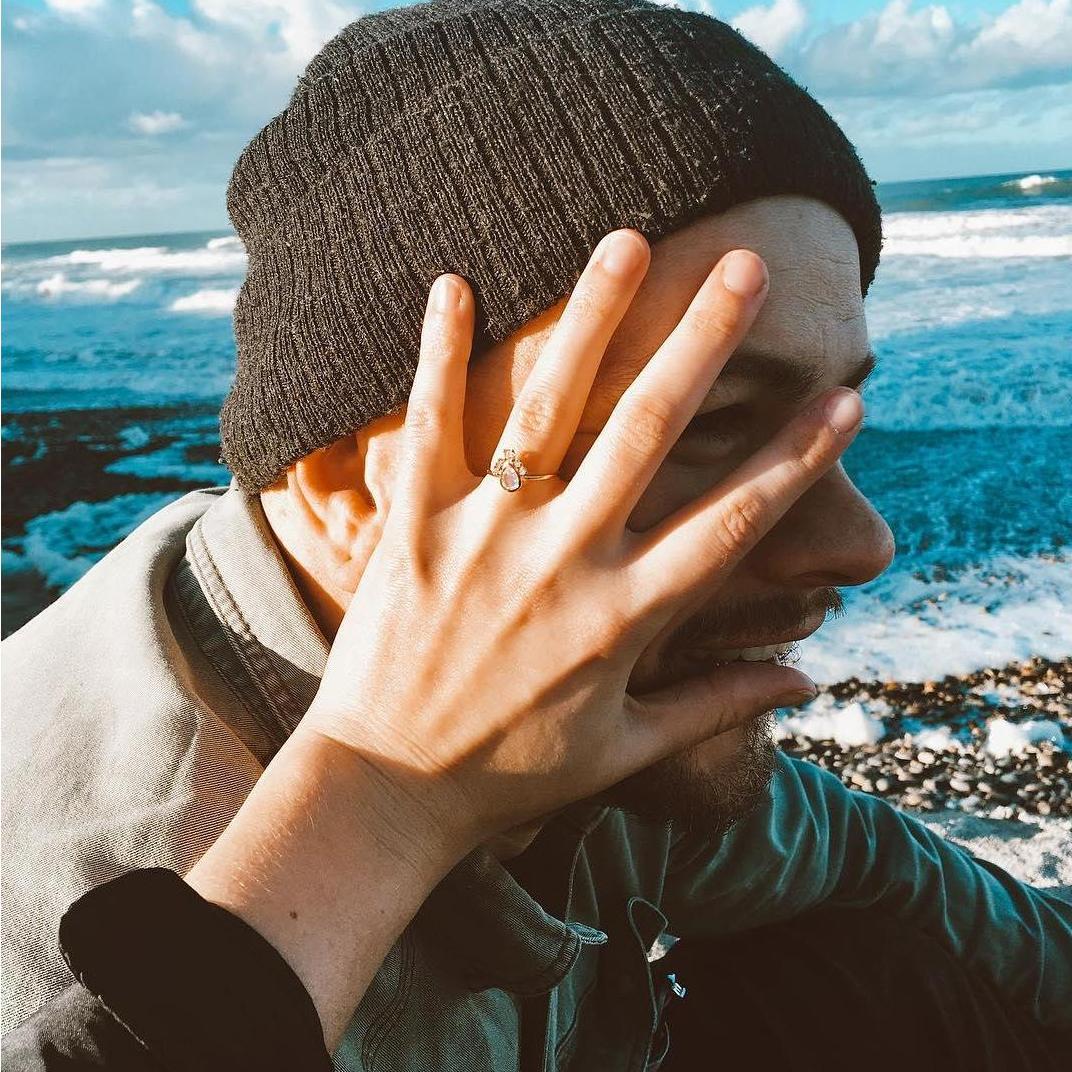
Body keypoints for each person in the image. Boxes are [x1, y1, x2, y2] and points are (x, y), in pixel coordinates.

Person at [2, 1, 1069, 1069]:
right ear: (344, 484)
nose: (861, 543)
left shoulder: (587, 687)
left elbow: (854, 855)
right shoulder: (82, 945)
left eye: (825, 424)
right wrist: (385, 788)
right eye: (707, 423)